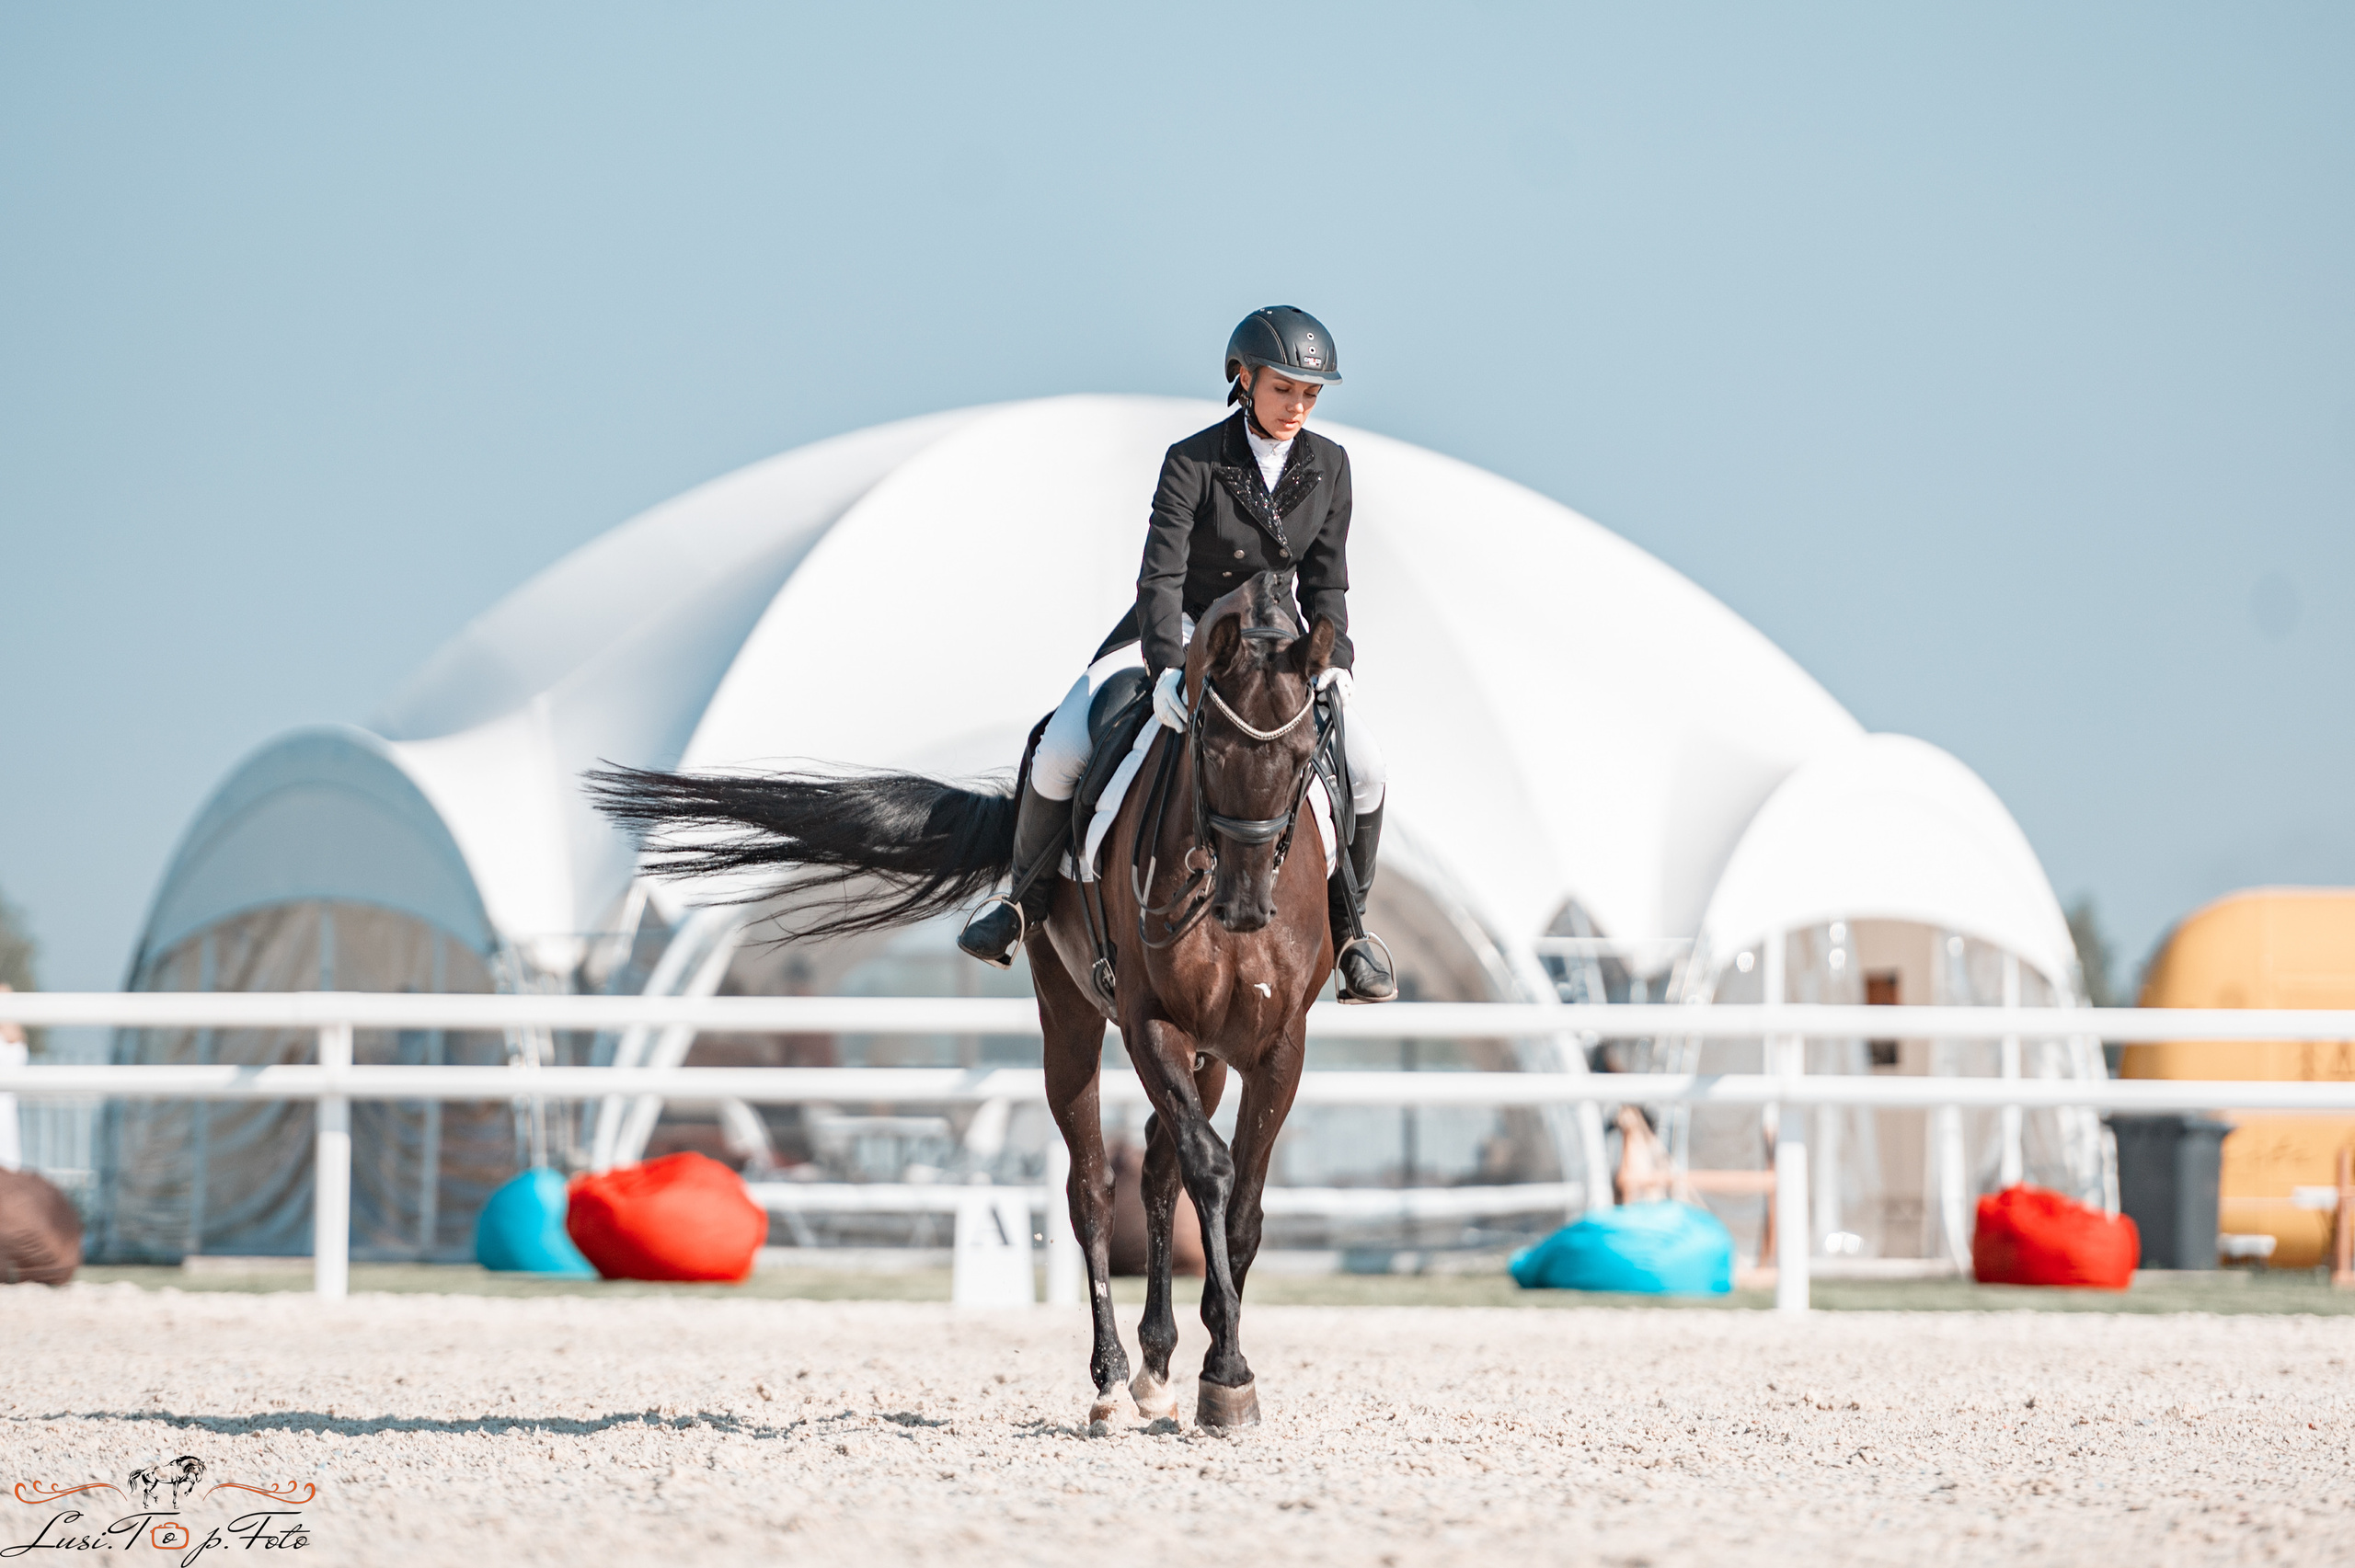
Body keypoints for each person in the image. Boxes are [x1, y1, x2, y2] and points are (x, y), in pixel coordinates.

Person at [956, 306, 1396, 1002]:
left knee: (1366, 767)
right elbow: (1159, 578)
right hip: (1181, 628)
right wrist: (1166, 667)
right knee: (1063, 744)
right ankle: (1022, 905)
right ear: (1243, 378)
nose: (1297, 407)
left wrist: (1331, 656)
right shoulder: (1194, 460)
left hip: (1280, 646)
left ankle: (1351, 934)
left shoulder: (1330, 464)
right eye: (1284, 389)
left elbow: (1327, 582)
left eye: (1310, 394)